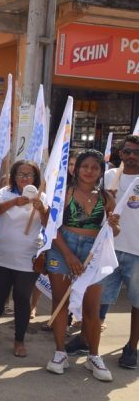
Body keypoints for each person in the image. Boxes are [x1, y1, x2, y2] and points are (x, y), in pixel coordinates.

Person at [44, 149, 120, 381]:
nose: (89, 171)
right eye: (85, 166)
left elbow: (114, 232)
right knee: (61, 303)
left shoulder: (107, 198)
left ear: (100, 172)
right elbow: (50, 225)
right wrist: (68, 255)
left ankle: (94, 356)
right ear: (76, 169)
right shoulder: (64, 193)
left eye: (95, 168)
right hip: (62, 248)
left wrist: (114, 224)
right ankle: (60, 353)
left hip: (93, 253)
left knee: (92, 307)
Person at [0, 160, 48, 357]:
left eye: (28, 174)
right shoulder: (5, 192)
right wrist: (15, 202)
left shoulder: (42, 196)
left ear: (35, 178)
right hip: (4, 254)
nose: (24, 178)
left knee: (22, 299)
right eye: (20, 174)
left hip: (27, 256)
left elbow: (49, 223)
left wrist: (41, 209)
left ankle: (19, 340)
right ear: (13, 176)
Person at [101, 135, 139, 369]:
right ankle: (87, 339)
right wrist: (108, 202)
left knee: (137, 303)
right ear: (121, 153)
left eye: (137, 152)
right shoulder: (108, 177)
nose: (132, 156)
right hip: (109, 248)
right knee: (97, 299)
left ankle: (131, 348)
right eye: (128, 151)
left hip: (137, 252)